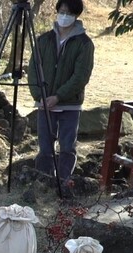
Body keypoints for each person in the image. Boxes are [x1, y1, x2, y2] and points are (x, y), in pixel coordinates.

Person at [28, 0, 94, 184]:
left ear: (76, 15)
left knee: (67, 147)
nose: (64, 16)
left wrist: (58, 96)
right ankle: (43, 183)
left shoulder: (84, 44)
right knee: (45, 148)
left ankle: (64, 183)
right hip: (44, 104)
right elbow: (33, 69)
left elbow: (81, 76)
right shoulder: (44, 39)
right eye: (62, 11)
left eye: (69, 13)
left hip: (69, 105)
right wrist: (39, 96)